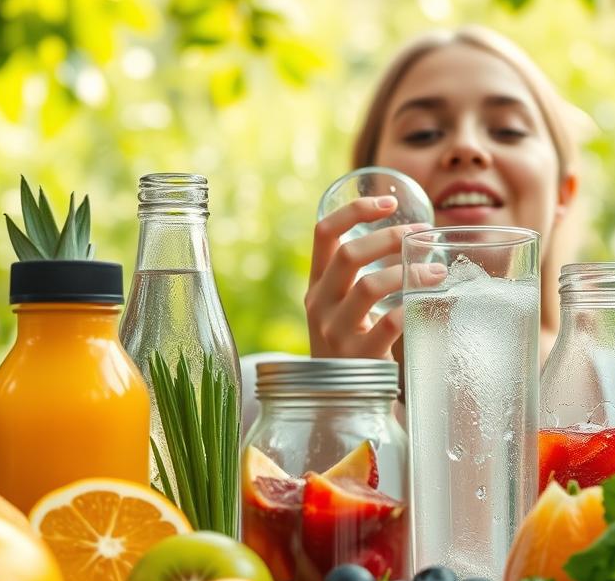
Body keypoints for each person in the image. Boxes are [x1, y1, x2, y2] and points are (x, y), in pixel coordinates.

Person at [241, 26, 587, 425]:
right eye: (423, 133)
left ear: (563, 192)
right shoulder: (254, 406)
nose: (467, 148)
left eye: (508, 130)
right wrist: (344, 411)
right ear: (368, 188)